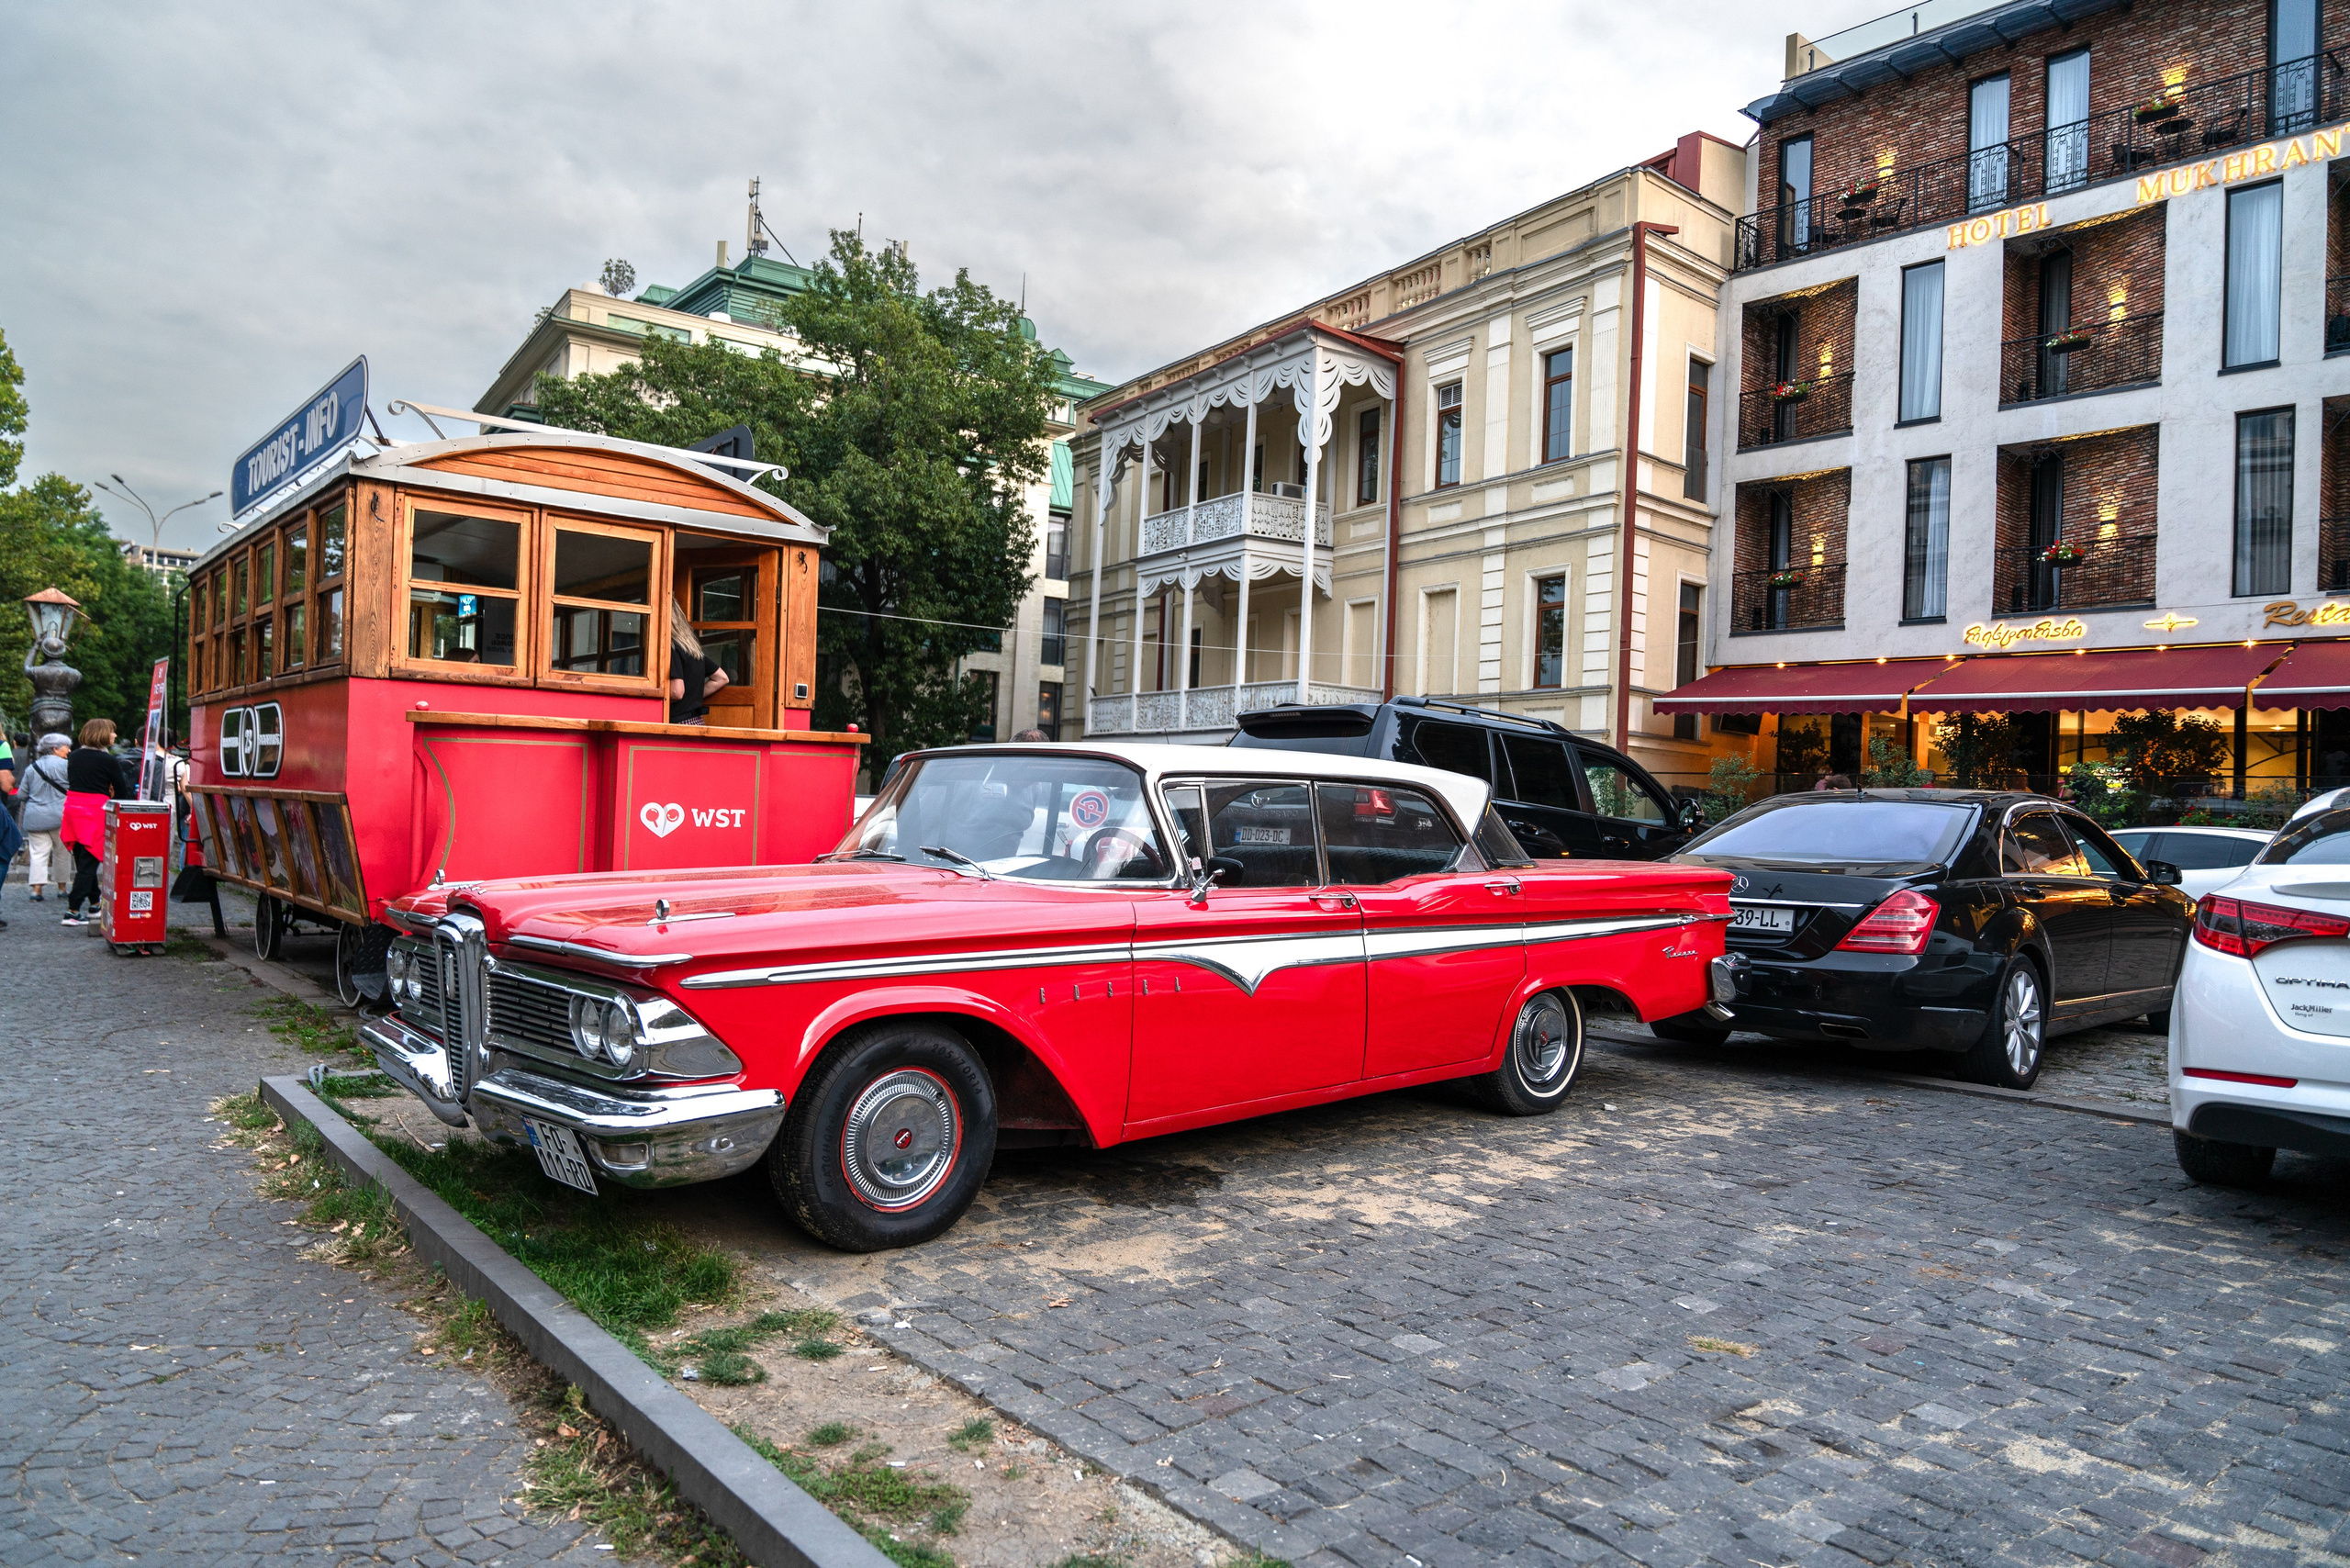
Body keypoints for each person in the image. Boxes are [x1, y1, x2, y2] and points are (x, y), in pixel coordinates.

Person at [60, 718, 129, 927]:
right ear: (102, 734)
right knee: (89, 864)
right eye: (112, 732)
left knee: (83, 859)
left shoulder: (74, 756)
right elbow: (122, 790)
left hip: (72, 808)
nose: (115, 736)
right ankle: (72, 911)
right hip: (95, 811)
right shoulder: (109, 761)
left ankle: (95, 904)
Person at [17, 734, 71, 902]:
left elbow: (21, 794)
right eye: (66, 747)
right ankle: (62, 888)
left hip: (35, 816)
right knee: (62, 852)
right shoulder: (67, 766)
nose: (68, 750)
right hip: (61, 815)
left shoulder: (32, 768)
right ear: (55, 748)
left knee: (38, 853)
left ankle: (36, 890)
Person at [667, 615, 730, 724]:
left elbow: (677, 692)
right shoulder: (692, 649)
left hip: (679, 724)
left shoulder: (672, 647)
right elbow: (721, 678)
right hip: (697, 722)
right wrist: (693, 697)